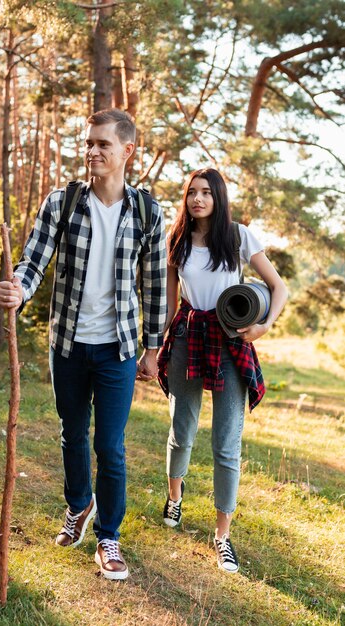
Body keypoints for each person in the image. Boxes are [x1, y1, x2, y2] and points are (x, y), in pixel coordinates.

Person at [0, 108, 167, 581]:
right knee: (72, 434)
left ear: (127, 151)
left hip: (118, 348)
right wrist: (18, 288)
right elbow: (33, 261)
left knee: (109, 446)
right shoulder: (62, 202)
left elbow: (154, 286)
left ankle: (108, 536)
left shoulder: (148, 211)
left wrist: (153, 349)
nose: (92, 151)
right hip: (68, 343)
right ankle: (79, 505)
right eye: (89, 143)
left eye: (103, 144)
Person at [157, 168, 288, 573]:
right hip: (189, 335)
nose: (197, 199)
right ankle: (175, 499)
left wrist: (265, 326)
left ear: (218, 197)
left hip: (230, 340)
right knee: (182, 430)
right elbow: (170, 301)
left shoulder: (237, 236)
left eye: (206, 193)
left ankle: (222, 536)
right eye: (192, 193)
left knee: (226, 443)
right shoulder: (176, 240)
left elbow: (278, 287)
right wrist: (153, 347)